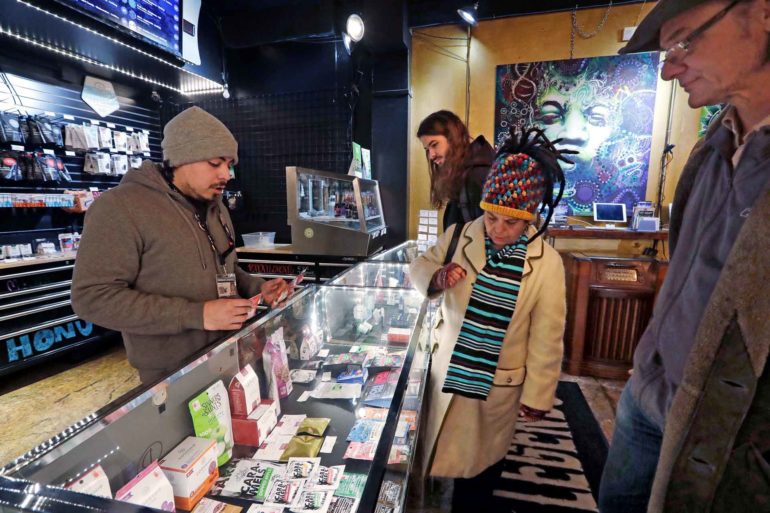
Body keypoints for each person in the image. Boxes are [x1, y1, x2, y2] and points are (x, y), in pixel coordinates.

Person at [598, 1, 770, 512]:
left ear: (761, 13)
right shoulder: (711, 149)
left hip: (724, 435)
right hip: (646, 396)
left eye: (683, 41)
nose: (670, 69)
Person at [409, 128, 571, 511]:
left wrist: (538, 394)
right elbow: (419, 264)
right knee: (433, 456)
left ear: (529, 218)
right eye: (491, 216)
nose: (497, 230)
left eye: (511, 222)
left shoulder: (547, 265)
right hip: (447, 373)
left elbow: (547, 337)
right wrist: (436, 277)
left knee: (480, 474)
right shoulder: (460, 234)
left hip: (497, 385)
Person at [71, 106, 290, 385]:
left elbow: (227, 268)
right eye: (215, 163)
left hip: (230, 352)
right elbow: (91, 298)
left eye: (229, 164)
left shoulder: (216, 207)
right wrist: (195, 315)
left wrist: (258, 287)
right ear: (182, 159)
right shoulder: (120, 207)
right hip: (171, 374)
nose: (227, 174)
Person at [416, 110, 496, 229]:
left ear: (453, 138)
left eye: (434, 145)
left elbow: (492, 237)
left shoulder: (477, 176)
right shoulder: (466, 174)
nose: (431, 155)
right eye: (427, 149)